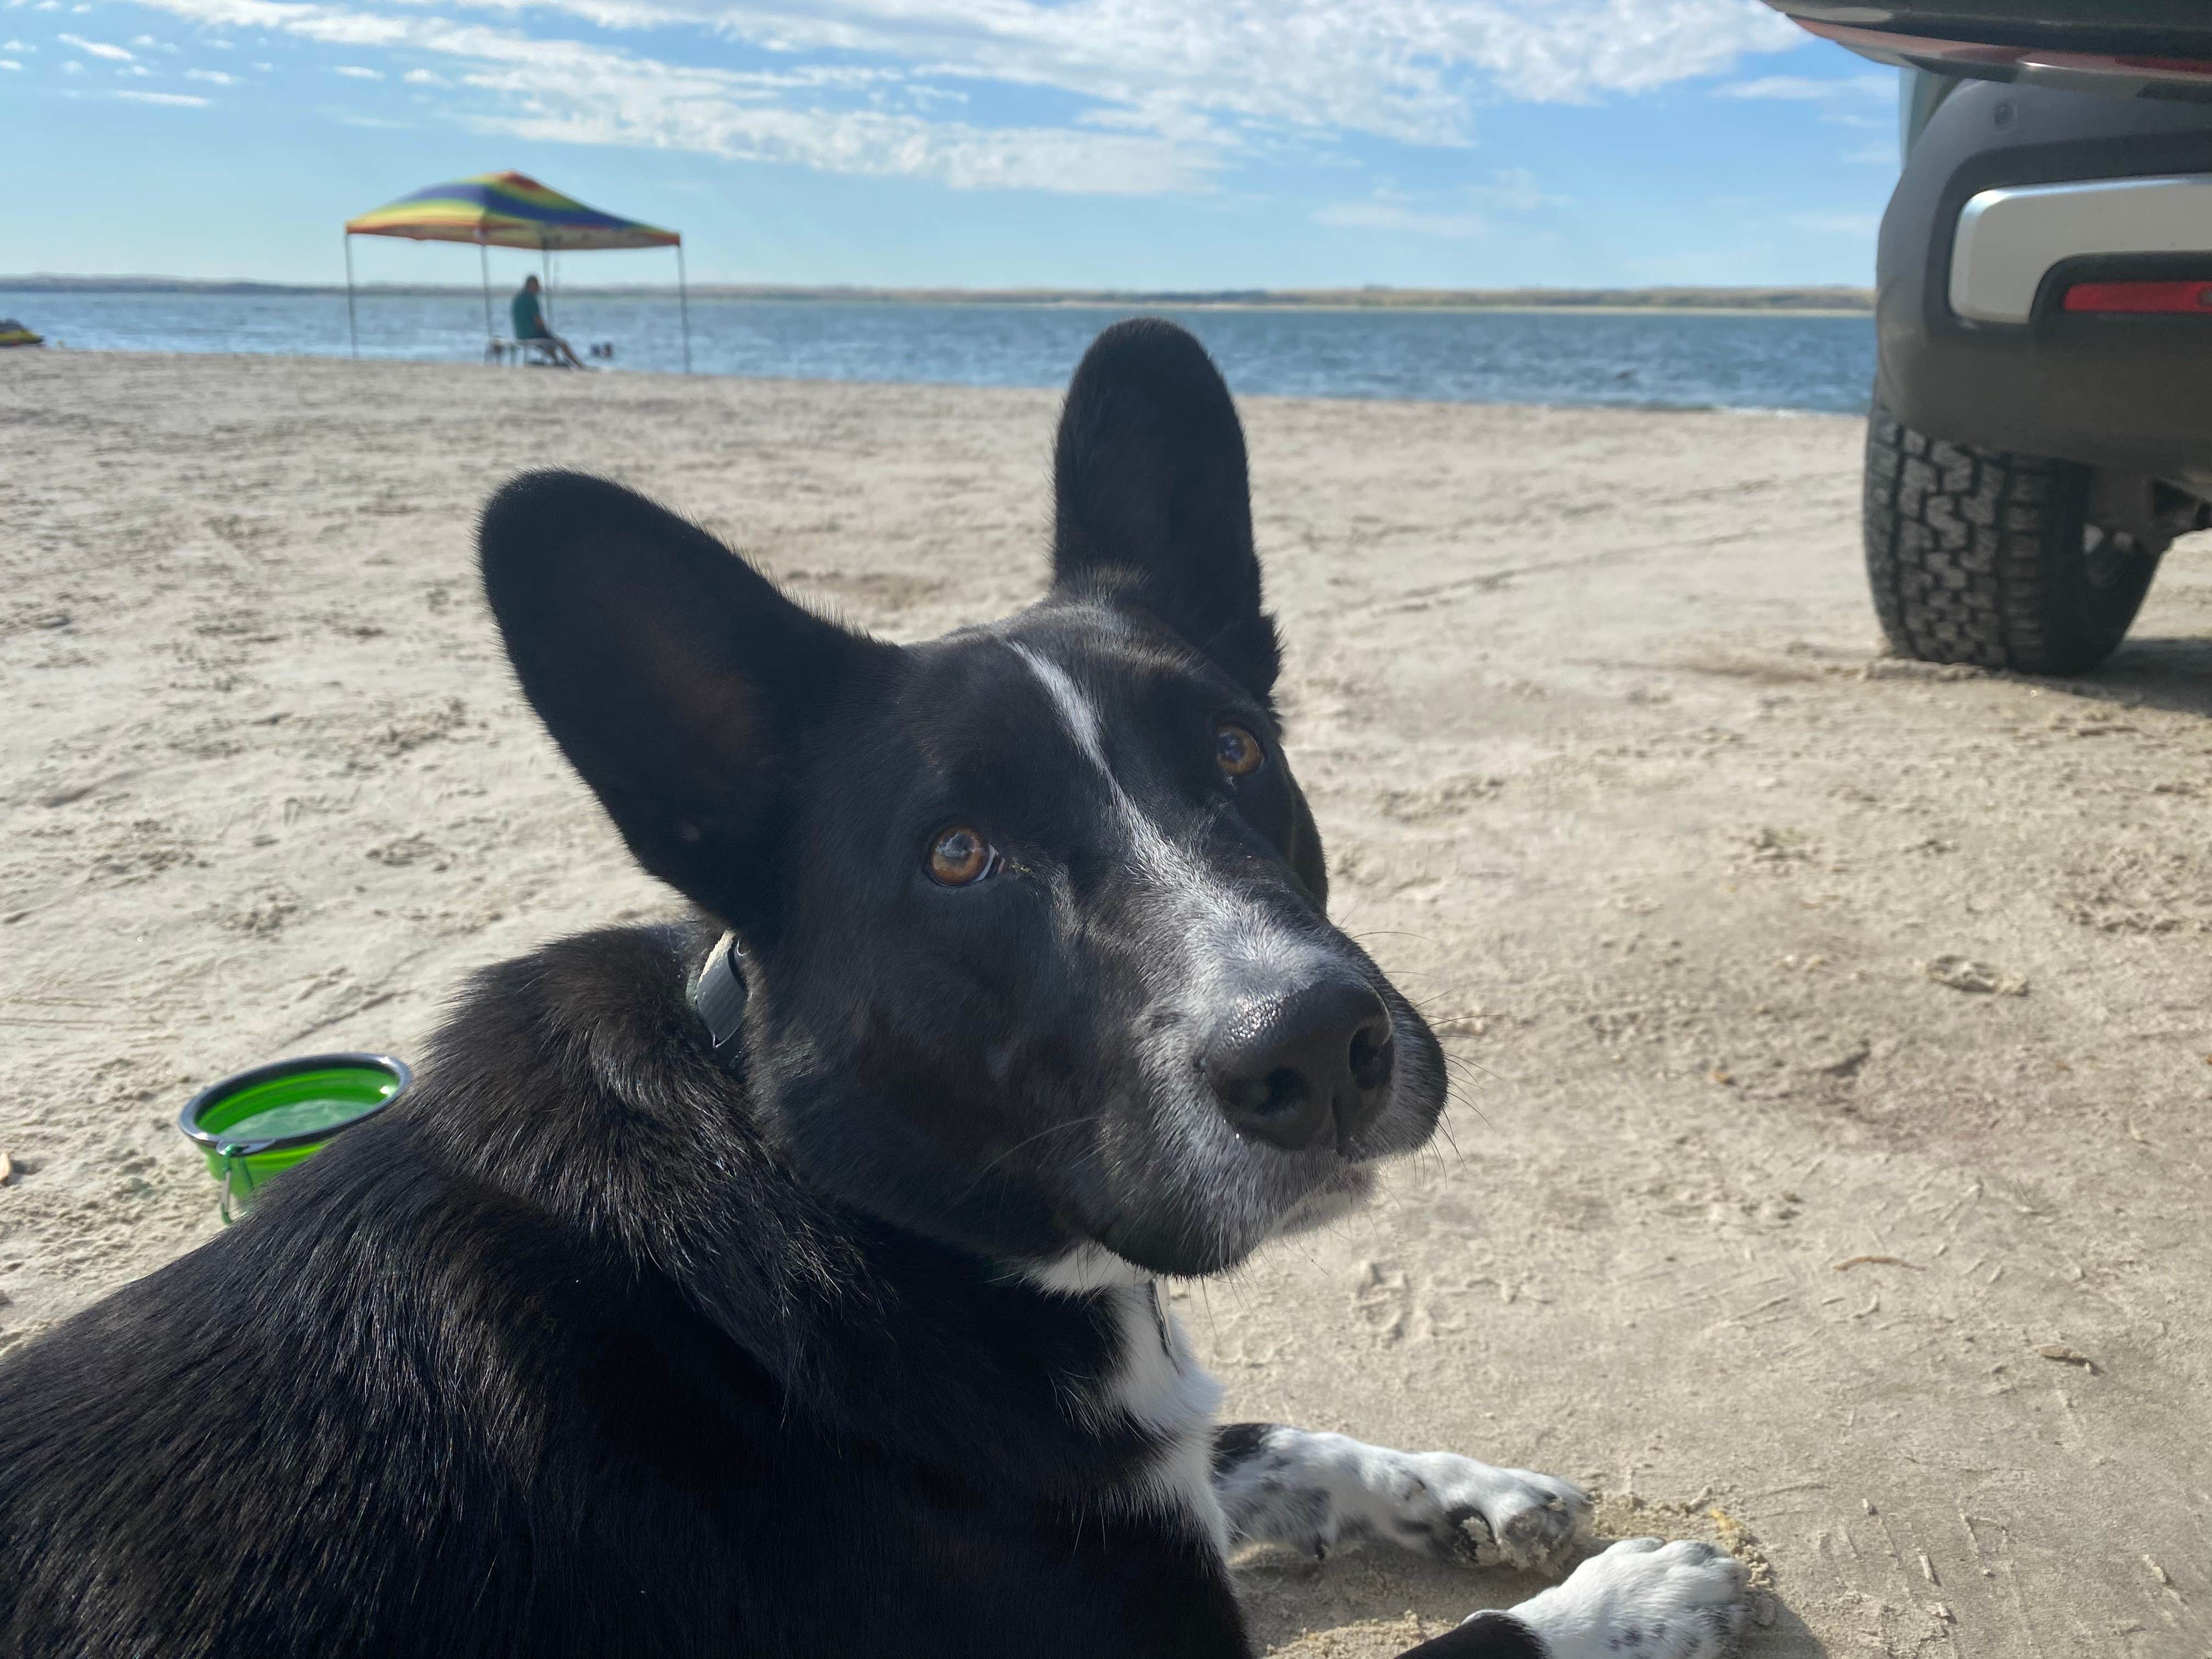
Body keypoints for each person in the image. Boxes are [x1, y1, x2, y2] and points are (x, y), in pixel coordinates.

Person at [509, 275, 585, 369]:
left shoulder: (518, 298)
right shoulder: (531, 299)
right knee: (562, 344)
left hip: (520, 335)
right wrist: (547, 331)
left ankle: (557, 362)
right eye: (537, 285)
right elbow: (538, 321)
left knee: (550, 344)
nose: (539, 288)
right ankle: (579, 365)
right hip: (532, 334)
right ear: (531, 285)